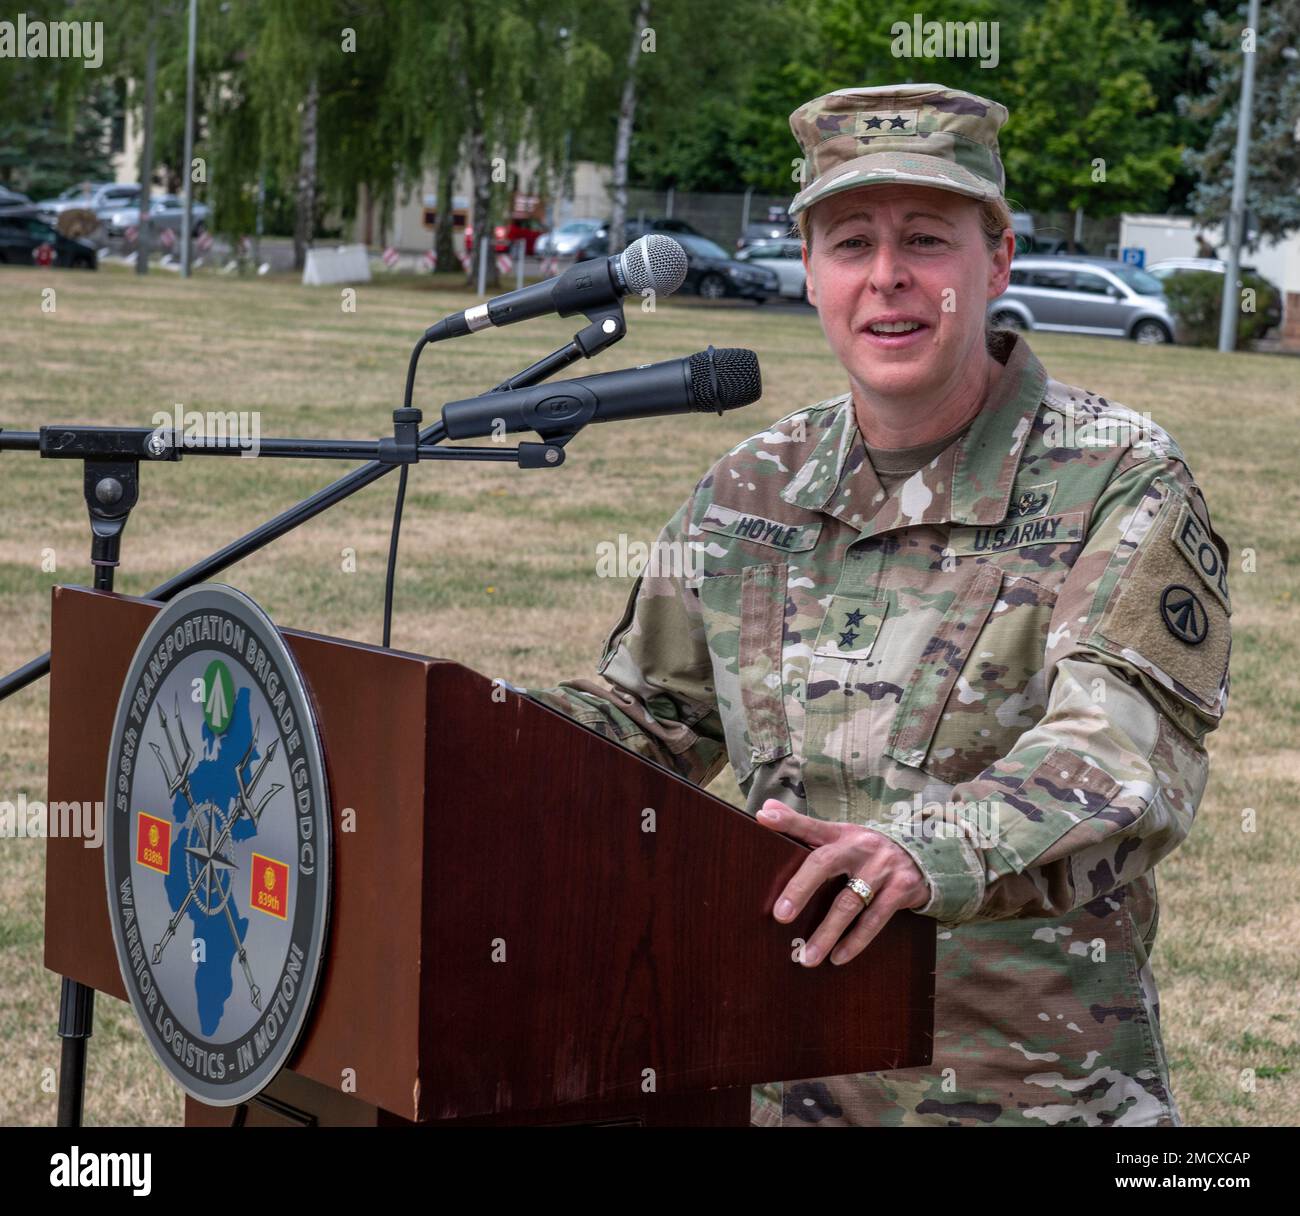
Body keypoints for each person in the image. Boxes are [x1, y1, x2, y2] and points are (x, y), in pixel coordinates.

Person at [525, 82, 1231, 1127]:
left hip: (1029, 1094)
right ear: (808, 272)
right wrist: (450, 729)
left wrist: (922, 849)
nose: (887, 276)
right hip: (783, 1079)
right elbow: (645, 720)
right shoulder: (750, 488)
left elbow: (1122, 753)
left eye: (926, 239)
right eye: (850, 241)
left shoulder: (1118, 477)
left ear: (995, 260)